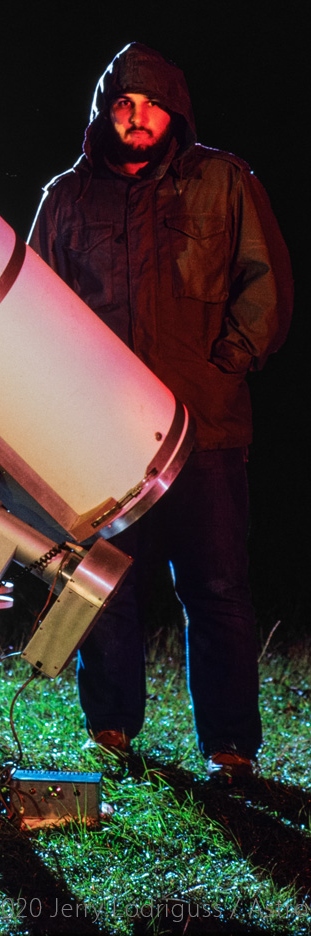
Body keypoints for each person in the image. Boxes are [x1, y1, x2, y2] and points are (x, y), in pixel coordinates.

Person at [28, 42, 292, 783]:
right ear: (103, 112)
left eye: (149, 104)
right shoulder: (66, 198)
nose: (136, 117)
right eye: (122, 103)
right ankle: (109, 732)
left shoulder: (223, 180)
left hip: (202, 430)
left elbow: (264, 284)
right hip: (100, 434)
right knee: (104, 583)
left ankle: (231, 747)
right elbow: (35, 308)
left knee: (215, 588)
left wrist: (226, 363)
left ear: (174, 108)